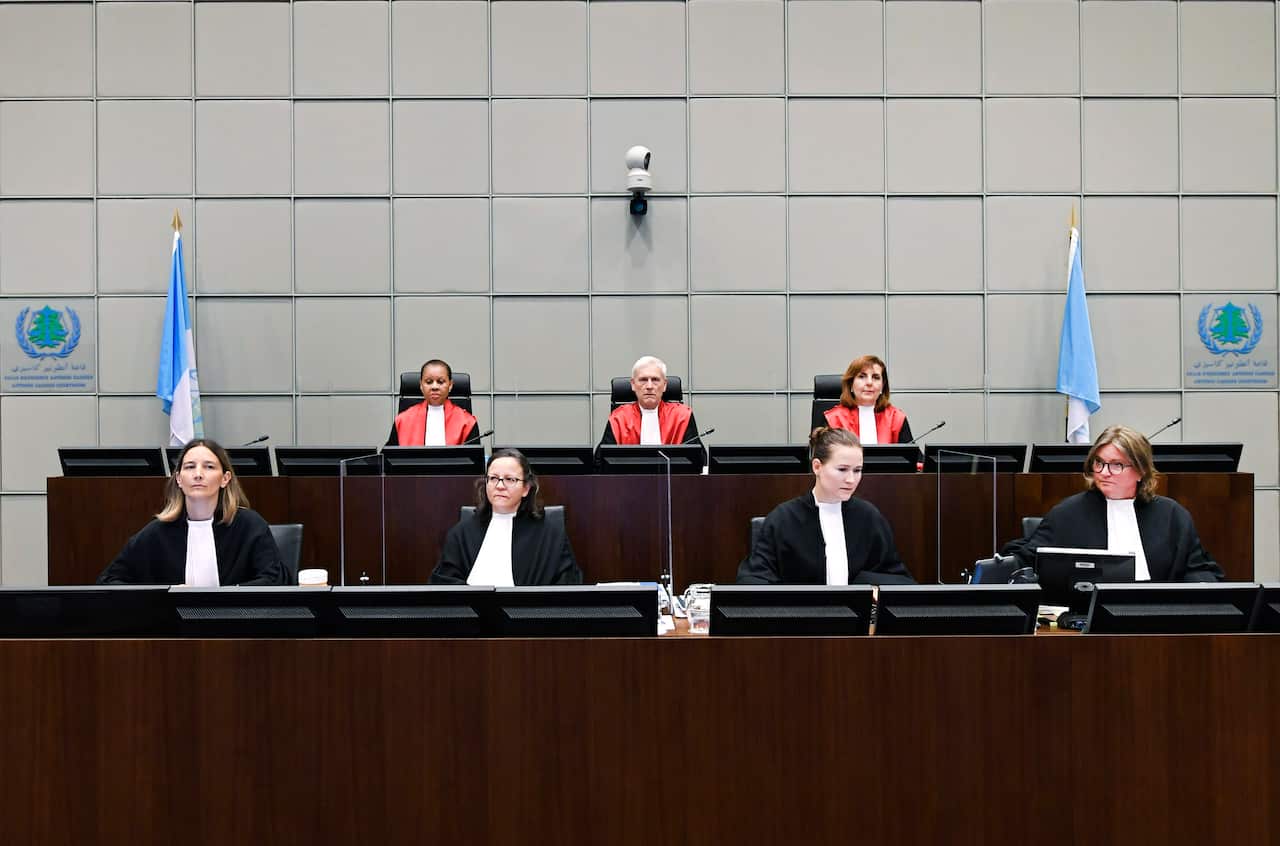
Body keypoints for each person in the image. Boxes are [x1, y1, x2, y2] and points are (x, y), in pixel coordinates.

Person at [1001, 425, 1224, 582]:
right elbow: (1025, 559)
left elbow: (1198, 569)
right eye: (1099, 463)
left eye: (1116, 465)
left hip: (1157, 617)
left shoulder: (1172, 515)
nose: (1104, 473)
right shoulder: (1069, 513)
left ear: (1141, 471)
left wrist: (1200, 590)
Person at [737, 427, 915, 585]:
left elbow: (899, 580)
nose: (851, 479)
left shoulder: (869, 517)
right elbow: (752, 581)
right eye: (842, 469)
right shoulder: (783, 518)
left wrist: (869, 585)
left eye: (857, 470)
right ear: (817, 467)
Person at [97, 439, 285, 586]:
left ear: (225, 479)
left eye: (209, 467)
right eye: (189, 467)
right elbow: (108, 581)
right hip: (174, 631)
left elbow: (276, 580)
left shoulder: (249, 525)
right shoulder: (157, 532)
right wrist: (165, 596)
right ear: (179, 479)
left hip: (237, 628)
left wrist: (227, 596)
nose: (198, 474)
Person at [430, 448, 583, 586]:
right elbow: (443, 584)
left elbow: (567, 586)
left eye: (510, 479)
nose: (500, 485)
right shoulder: (462, 532)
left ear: (526, 488)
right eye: (494, 478)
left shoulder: (551, 534)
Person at [598, 355, 701, 447]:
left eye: (655, 380)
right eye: (643, 380)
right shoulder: (619, 418)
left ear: (664, 385)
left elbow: (698, 460)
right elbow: (600, 462)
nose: (649, 386)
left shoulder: (682, 416)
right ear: (633, 384)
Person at [387, 359, 479, 447]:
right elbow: (387, 458)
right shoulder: (402, 421)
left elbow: (475, 460)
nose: (434, 387)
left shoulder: (467, 422)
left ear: (450, 385)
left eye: (440, 382)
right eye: (429, 382)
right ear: (421, 385)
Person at [823, 354, 912, 445]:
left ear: (882, 385)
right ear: (851, 384)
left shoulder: (896, 418)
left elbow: (913, 457)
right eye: (862, 376)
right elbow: (822, 457)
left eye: (876, 377)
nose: (869, 382)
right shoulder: (834, 418)